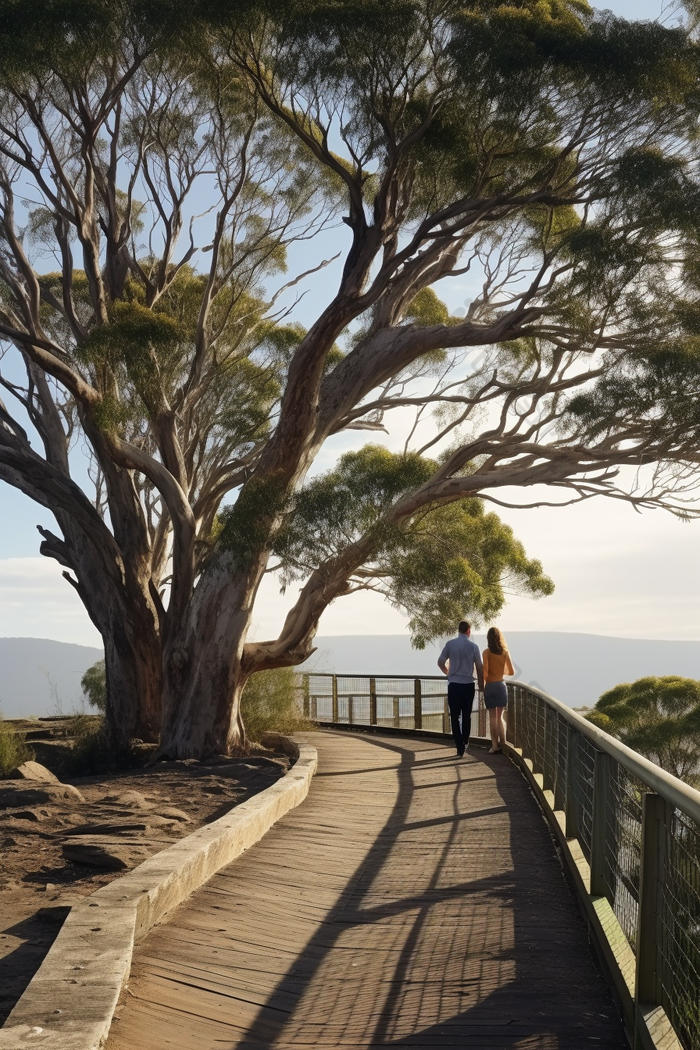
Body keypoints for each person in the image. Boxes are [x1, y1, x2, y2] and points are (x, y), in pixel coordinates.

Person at [438, 621, 484, 757]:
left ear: (458, 630)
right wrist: (481, 684)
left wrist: (447, 672)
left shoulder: (450, 644)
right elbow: (480, 667)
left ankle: (459, 745)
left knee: (454, 716)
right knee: (466, 715)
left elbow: (440, 662)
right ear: (469, 631)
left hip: (454, 685)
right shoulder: (474, 646)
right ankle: (465, 741)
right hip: (468, 685)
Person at [483, 626, 514, 754]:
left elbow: (485, 671)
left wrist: (483, 684)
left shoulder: (486, 652)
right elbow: (511, 671)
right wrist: (501, 671)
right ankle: (503, 743)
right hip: (501, 686)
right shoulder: (505, 652)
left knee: (492, 717)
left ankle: (494, 745)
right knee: (500, 717)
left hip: (490, 686)